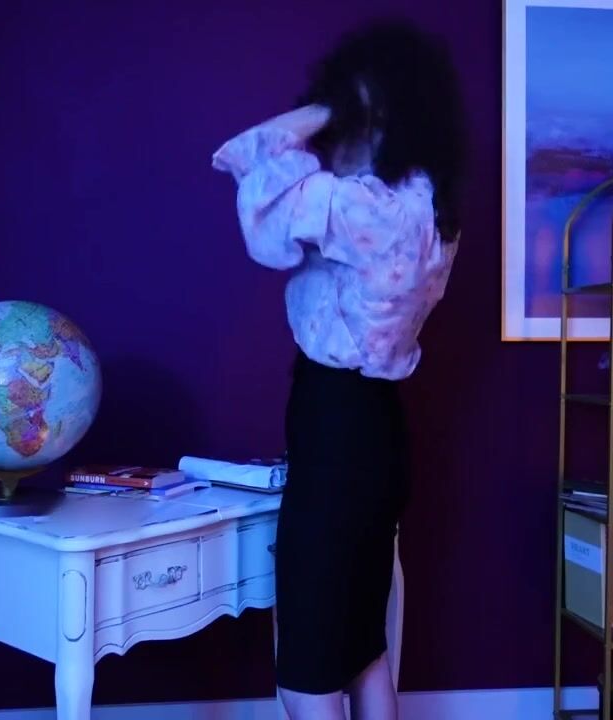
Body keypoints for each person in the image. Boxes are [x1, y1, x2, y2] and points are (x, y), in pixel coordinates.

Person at [210, 18, 467, 720]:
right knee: (362, 652)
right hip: (378, 434)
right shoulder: (430, 209)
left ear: (378, 116)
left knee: (308, 674)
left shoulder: (366, 208)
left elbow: (250, 158)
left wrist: (330, 106)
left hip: (337, 429)